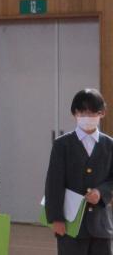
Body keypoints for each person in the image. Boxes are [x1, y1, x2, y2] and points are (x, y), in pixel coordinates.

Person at [45, 88, 113, 255]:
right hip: (71, 224)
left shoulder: (109, 144)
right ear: (74, 114)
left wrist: (101, 192)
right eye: (82, 112)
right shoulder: (62, 144)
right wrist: (56, 218)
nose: (87, 117)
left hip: (101, 226)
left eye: (92, 113)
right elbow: (54, 184)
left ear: (102, 113)